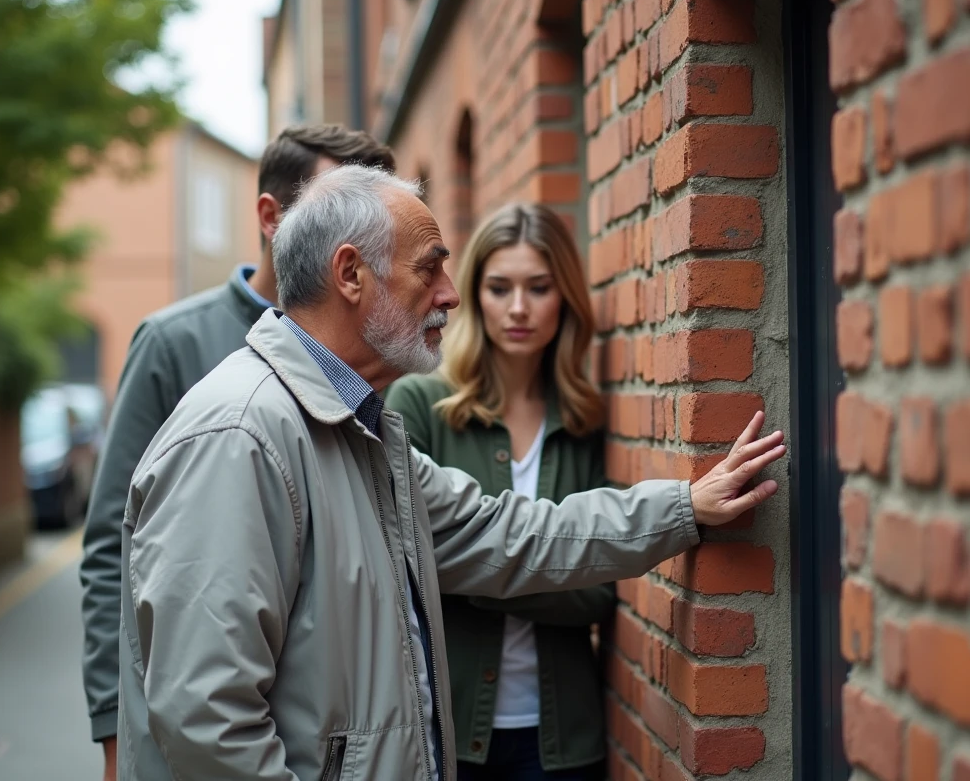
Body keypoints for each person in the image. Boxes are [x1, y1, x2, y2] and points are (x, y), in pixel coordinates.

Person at [117, 165, 785, 781]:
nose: (451, 295)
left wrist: (685, 506)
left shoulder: (358, 431)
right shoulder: (239, 436)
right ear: (351, 274)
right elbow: (209, 723)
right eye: (429, 269)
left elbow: (506, 533)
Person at [78, 125, 396, 780]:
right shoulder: (172, 342)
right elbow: (115, 542)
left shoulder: (370, 346)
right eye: (341, 209)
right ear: (270, 217)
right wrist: (113, 725)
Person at [386, 203, 612, 781]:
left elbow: (598, 592)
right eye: (498, 288)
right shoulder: (420, 404)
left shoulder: (584, 419)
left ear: (565, 297)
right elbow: (413, 565)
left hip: (563, 742)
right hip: (448, 732)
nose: (517, 308)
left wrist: (480, 567)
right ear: (473, 295)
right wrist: (553, 565)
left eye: (538, 287)